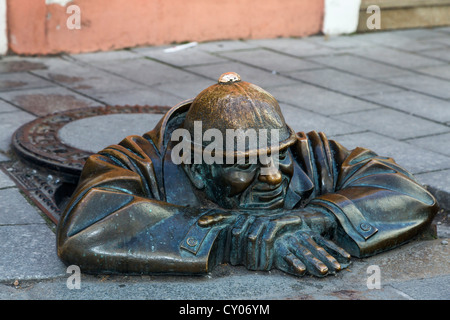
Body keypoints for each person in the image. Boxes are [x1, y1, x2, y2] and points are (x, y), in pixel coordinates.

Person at [56, 72, 438, 277]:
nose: (273, 177)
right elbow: (86, 227)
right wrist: (232, 237)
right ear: (196, 167)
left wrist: (313, 217)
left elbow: (409, 193)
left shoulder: (310, 153)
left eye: (278, 157)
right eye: (244, 164)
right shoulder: (134, 161)